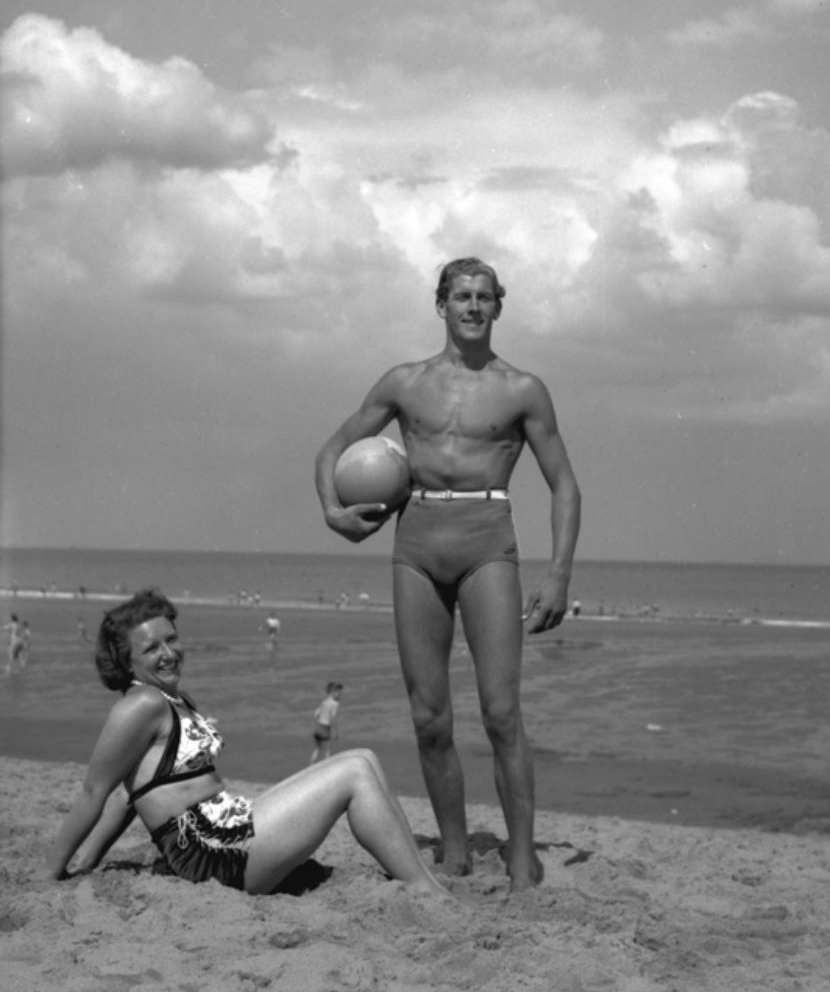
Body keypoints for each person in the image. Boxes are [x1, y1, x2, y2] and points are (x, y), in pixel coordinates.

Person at [315, 257, 581, 890]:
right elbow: (331, 449)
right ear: (441, 305)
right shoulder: (405, 382)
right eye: (460, 295)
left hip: (487, 543)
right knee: (429, 716)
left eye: (484, 297)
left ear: (497, 307)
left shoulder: (523, 389)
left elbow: (564, 485)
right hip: (416, 545)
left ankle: (521, 855)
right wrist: (333, 513)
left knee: (500, 712)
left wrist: (559, 577)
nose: (472, 306)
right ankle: (456, 852)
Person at [48, 589, 447, 897]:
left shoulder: (174, 700)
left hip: (229, 831)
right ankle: (425, 889)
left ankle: (423, 878)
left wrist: (89, 861)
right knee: (355, 771)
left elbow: (126, 797)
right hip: (214, 856)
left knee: (364, 756)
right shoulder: (141, 704)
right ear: (125, 660)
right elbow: (94, 791)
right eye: (151, 648)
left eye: (171, 639)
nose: (168, 653)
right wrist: (52, 872)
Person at [311, 681, 343, 763]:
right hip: (325, 728)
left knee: (317, 749)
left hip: (318, 727)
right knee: (328, 750)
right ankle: (327, 768)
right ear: (333, 692)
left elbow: (315, 714)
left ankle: (310, 766)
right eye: (338, 692)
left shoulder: (324, 702)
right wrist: (336, 732)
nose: (340, 695)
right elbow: (332, 718)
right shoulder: (335, 703)